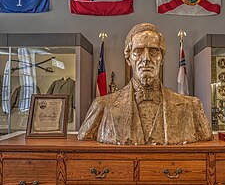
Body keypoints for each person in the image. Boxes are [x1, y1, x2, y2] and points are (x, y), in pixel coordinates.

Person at [77, 23, 213, 145]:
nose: (146, 58)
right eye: (138, 51)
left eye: (154, 51)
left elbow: (206, 137)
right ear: (128, 58)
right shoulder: (103, 106)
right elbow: (84, 139)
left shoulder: (191, 107)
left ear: (162, 58)